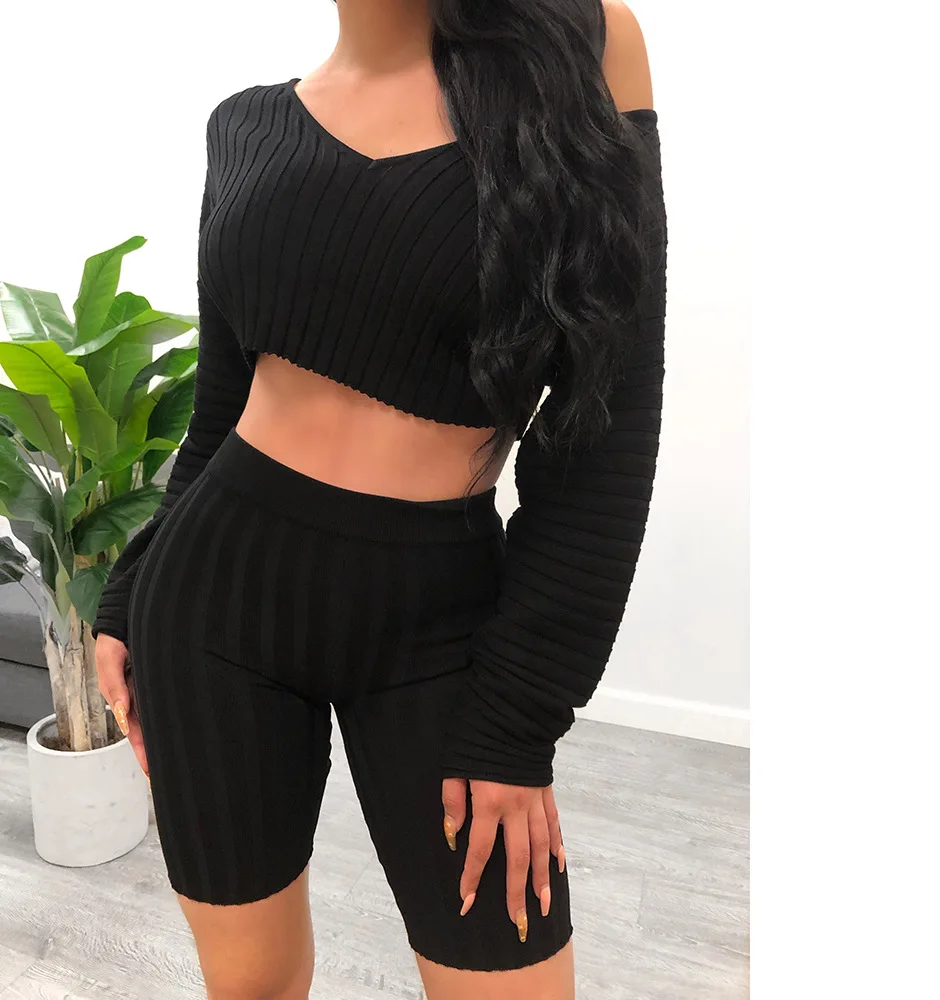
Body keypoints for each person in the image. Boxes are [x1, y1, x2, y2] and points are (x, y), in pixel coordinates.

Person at [92, 0, 666, 997]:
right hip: (212, 600)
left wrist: (520, 720)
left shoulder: (583, 43)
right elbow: (223, 404)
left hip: (438, 622)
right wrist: (124, 591)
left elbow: (608, 424)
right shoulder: (245, 126)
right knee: (252, 985)